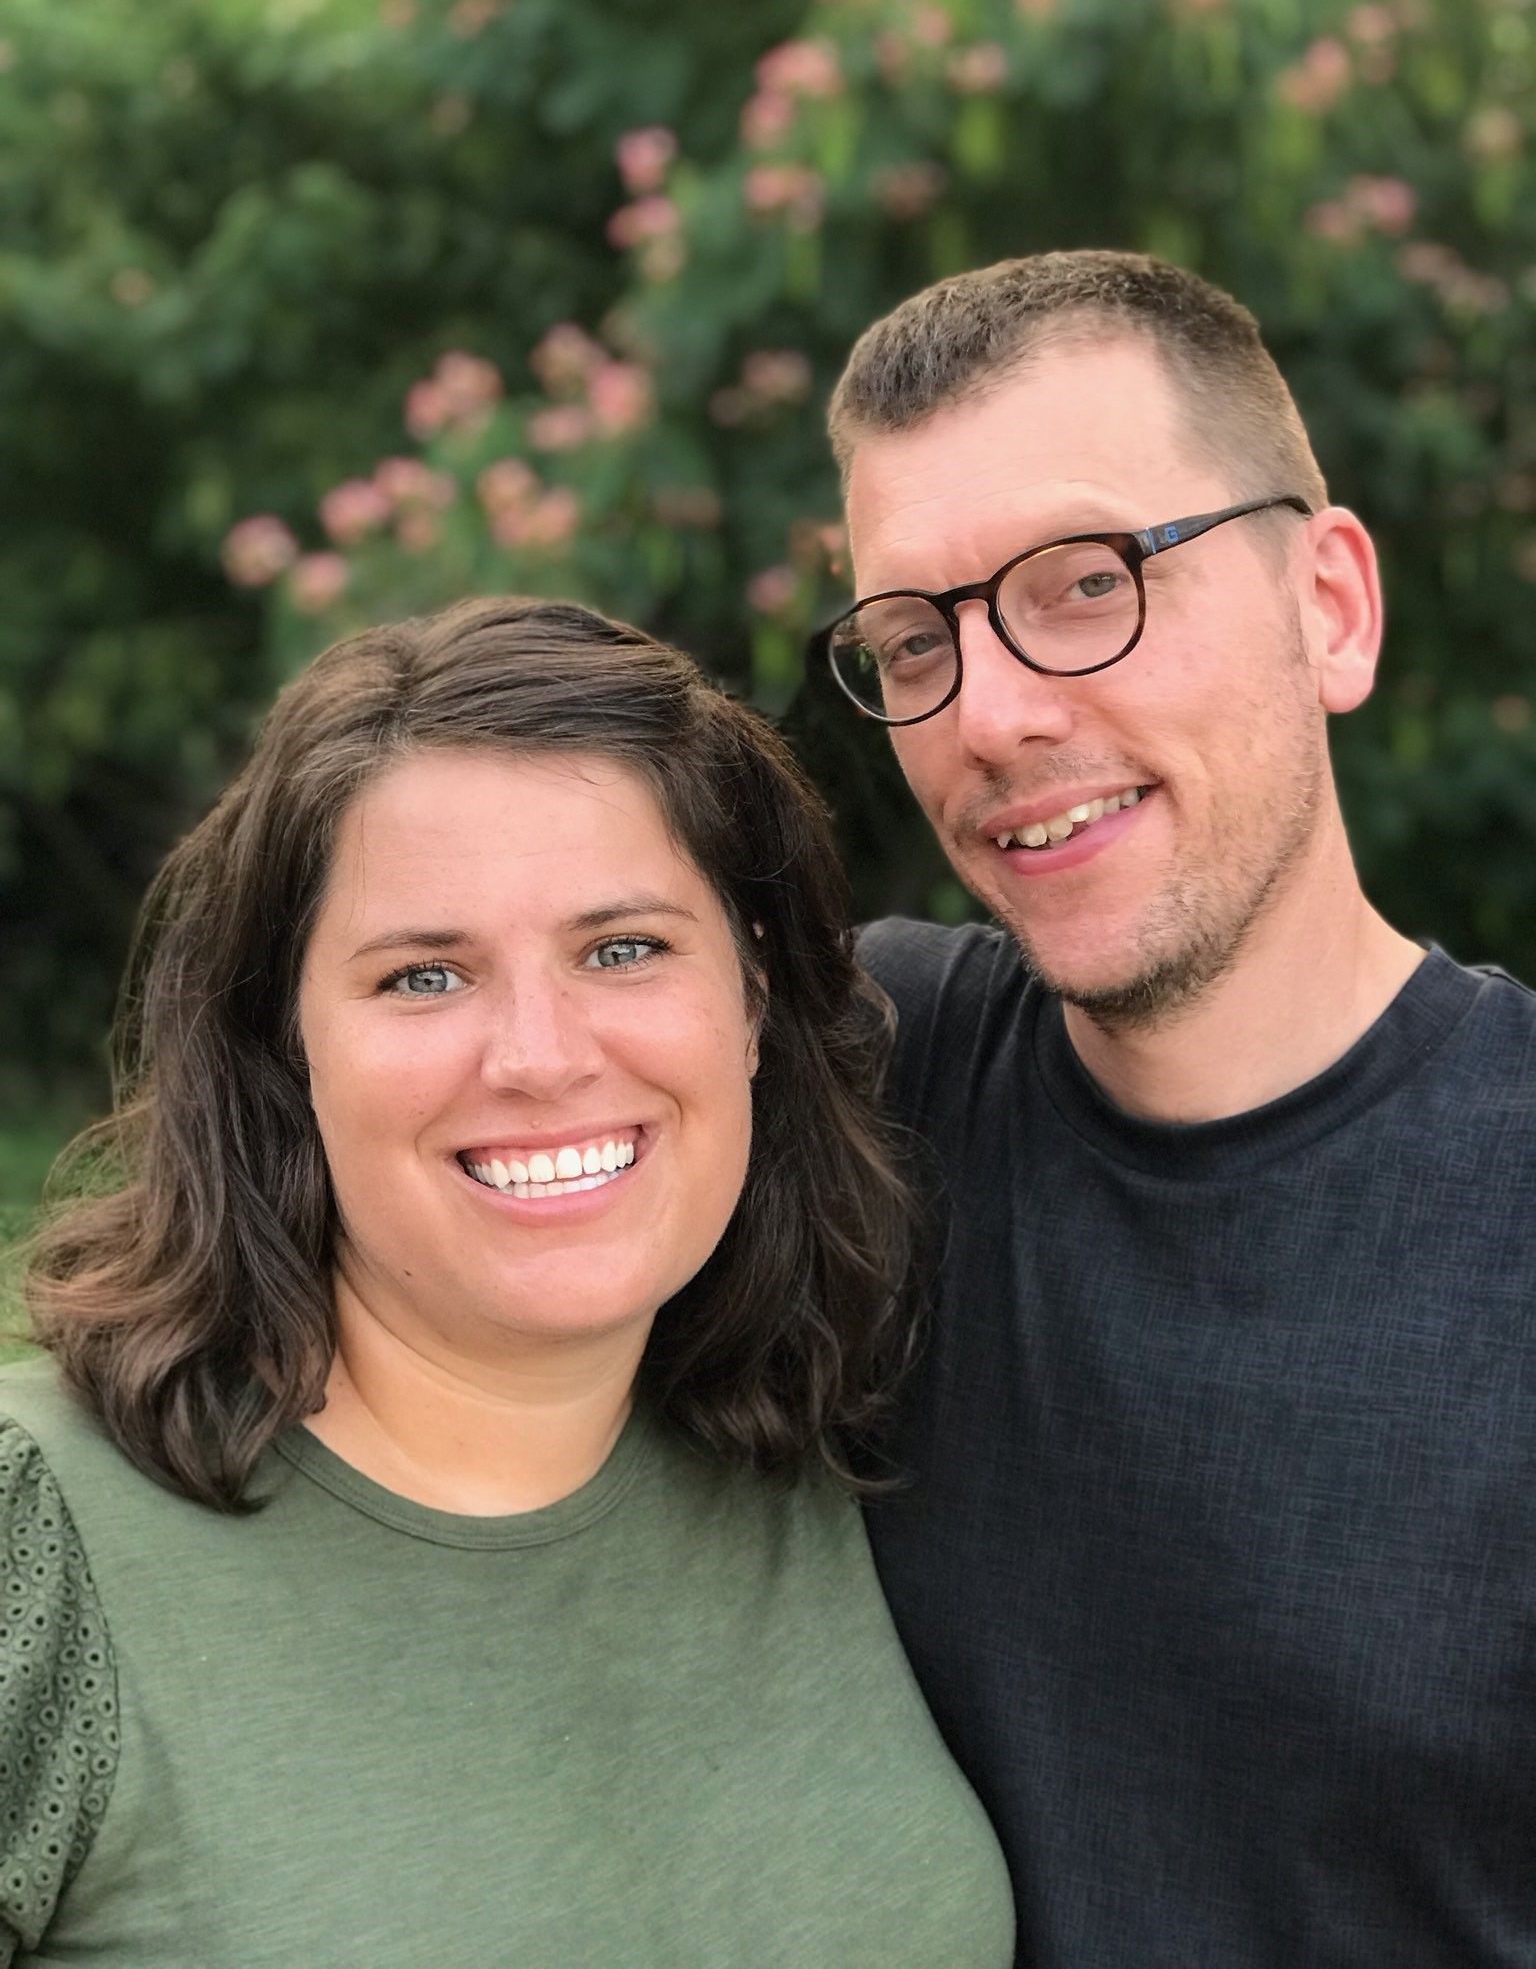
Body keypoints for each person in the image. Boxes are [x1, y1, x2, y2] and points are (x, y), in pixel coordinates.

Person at [0, 596, 1014, 1969]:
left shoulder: (831, 1463)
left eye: (623, 949)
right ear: (286, 1045)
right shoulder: (41, 1540)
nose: (538, 1056)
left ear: (755, 1002)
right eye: (424, 977)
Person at [815, 251, 1536, 1969]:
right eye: (917, 638)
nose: (990, 715)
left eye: (1083, 585)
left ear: (1332, 609)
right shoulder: (854, 1089)